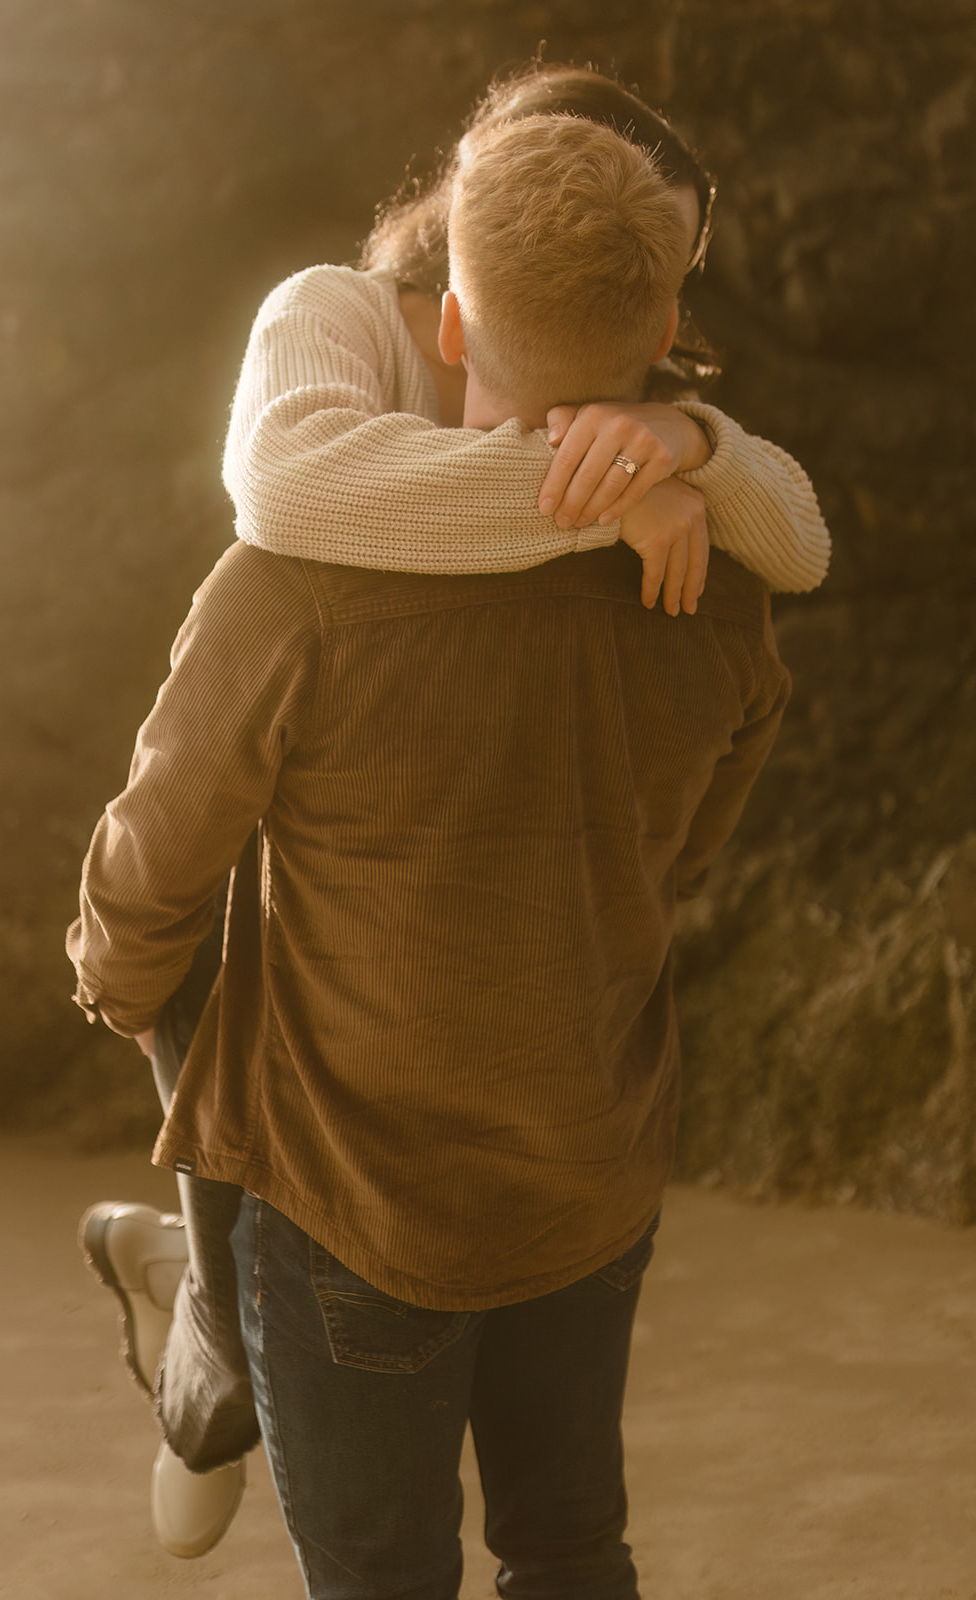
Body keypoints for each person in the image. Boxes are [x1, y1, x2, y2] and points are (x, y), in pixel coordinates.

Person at [76, 59, 830, 1561]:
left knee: (379, 1574)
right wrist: (637, 467)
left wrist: (120, 983)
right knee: (570, 1548)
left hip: (358, 1199)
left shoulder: (288, 592)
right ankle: (207, 1301)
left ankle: (206, 1319)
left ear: (453, 318)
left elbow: (150, 863)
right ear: (669, 329)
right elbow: (693, 824)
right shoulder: (717, 587)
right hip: (584, 1168)